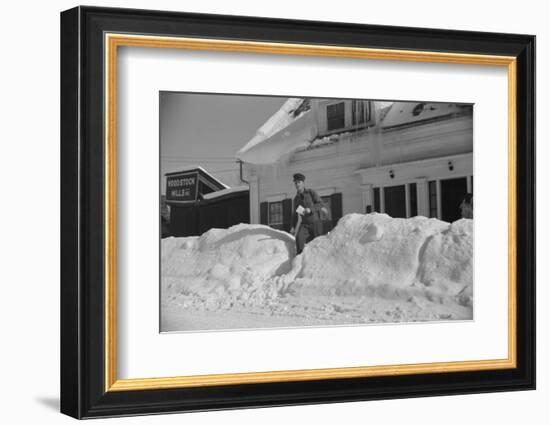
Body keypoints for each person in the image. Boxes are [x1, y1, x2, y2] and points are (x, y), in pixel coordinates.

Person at [289, 173, 326, 254]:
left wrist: (311, 209)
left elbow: (321, 204)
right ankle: (299, 259)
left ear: (303, 183)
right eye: (295, 183)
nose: (297, 184)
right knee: (299, 238)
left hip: (316, 223)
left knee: (317, 245)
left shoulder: (311, 193)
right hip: (305, 224)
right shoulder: (296, 199)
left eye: (299, 182)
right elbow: (295, 215)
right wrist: (292, 227)